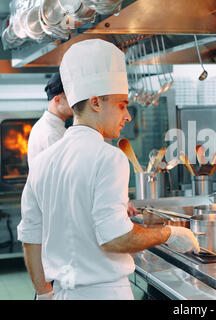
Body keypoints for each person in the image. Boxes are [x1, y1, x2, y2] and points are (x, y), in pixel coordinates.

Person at [17, 39, 199, 300]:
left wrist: (44, 294)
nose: (127, 116)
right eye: (122, 105)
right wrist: (169, 233)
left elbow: (31, 236)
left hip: (60, 293)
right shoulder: (109, 157)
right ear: (96, 103)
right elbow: (115, 238)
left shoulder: (44, 160)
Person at [27, 72, 73, 166]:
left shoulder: (46, 126)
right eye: (70, 100)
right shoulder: (51, 133)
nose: (74, 105)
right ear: (57, 100)